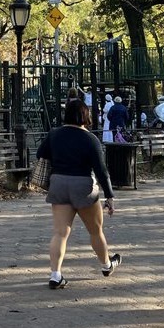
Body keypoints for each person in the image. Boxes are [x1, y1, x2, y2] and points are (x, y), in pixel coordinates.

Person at [36, 98, 121, 289]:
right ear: (85, 116)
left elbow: (40, 153)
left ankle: (55, 275)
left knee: (60, 233)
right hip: (83, 186)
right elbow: (101, 171)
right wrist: (109, 196)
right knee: (95, 231)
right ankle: (106, 265)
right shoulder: (90, 139)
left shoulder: (54, 134)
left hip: (58, 184)